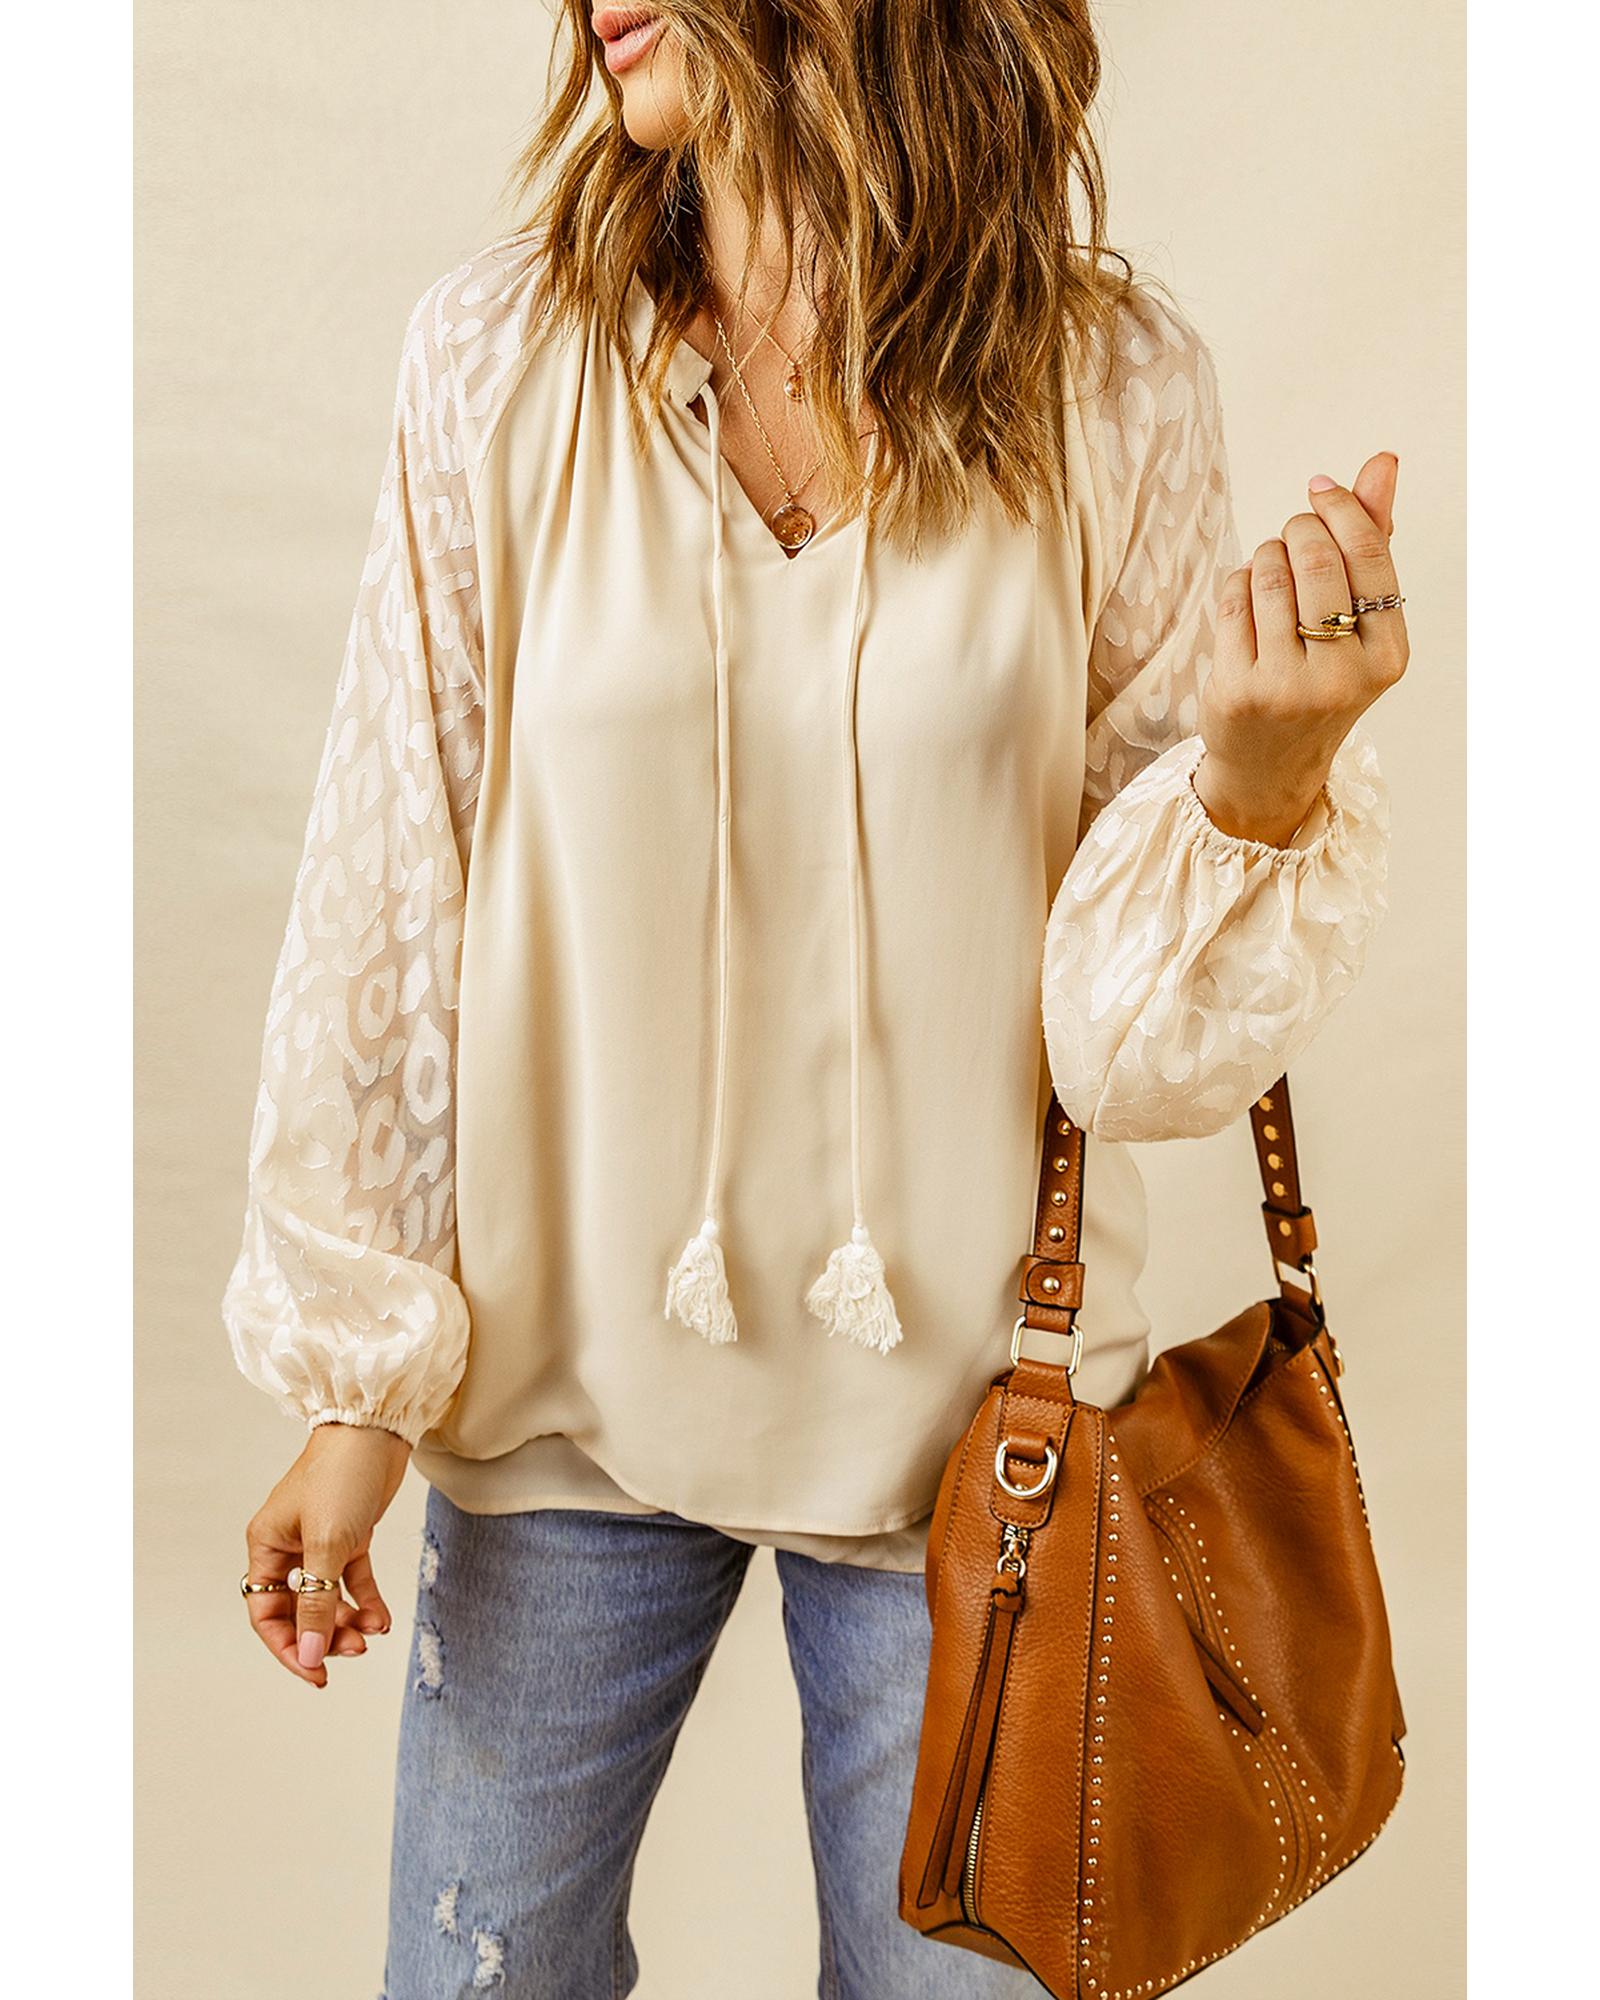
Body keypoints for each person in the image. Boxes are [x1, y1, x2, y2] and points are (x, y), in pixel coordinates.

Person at [222, 4, 1408, 1994]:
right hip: (566, 1401)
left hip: (982, 1447)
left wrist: (1256, 790)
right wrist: (358, 1391)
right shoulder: (501, 360)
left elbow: (1123, 1056)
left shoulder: (1109, 390)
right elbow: (393, 880)